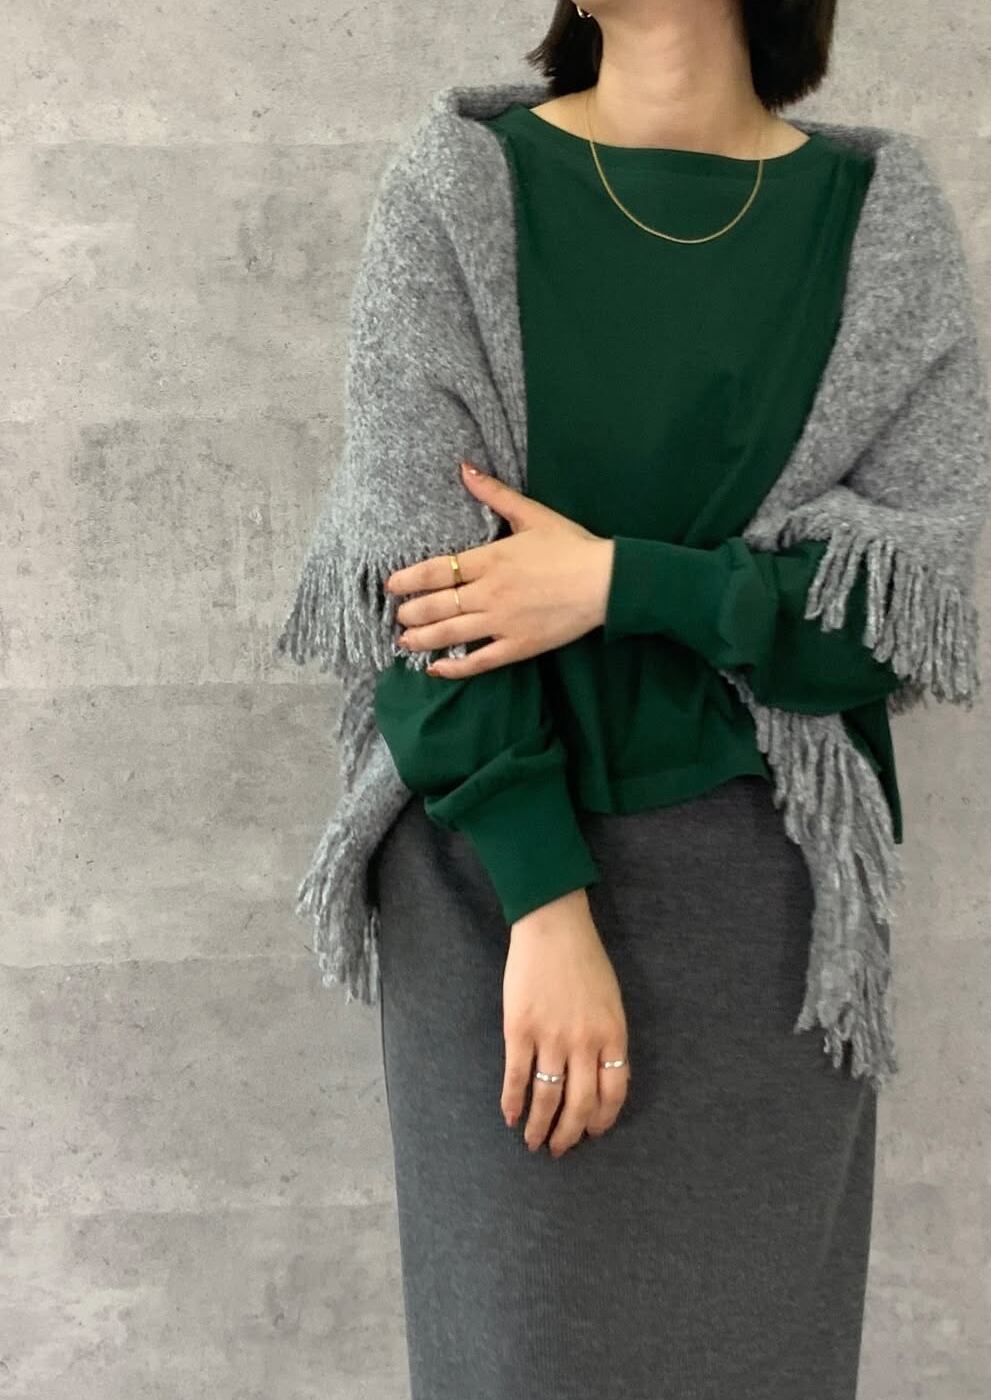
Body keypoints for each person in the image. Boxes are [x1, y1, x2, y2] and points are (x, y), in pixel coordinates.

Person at [276, 3, 990, 1397]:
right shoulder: (463, 186)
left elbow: (884, 621)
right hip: (493, 884)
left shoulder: (875, 219)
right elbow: (420, 588)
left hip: (767, 900)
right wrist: (545, 904)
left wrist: (615, 581)